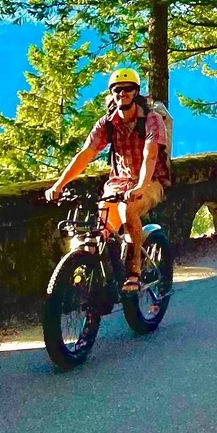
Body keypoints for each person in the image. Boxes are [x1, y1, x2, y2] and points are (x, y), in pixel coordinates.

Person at [45, 68, 172, 292]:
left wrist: (141, 186)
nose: (122, 93)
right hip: (118, 182)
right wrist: (59, 185)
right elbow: (85, 154)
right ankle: (97, 276)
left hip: (151, 181)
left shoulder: (151, 120)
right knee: (100, 228)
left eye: (128, 89)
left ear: (136, 92)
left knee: (128, 210)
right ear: (111, 93)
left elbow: (149, 155)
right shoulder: (107, 124)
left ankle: (134, 270)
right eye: (117, 89)